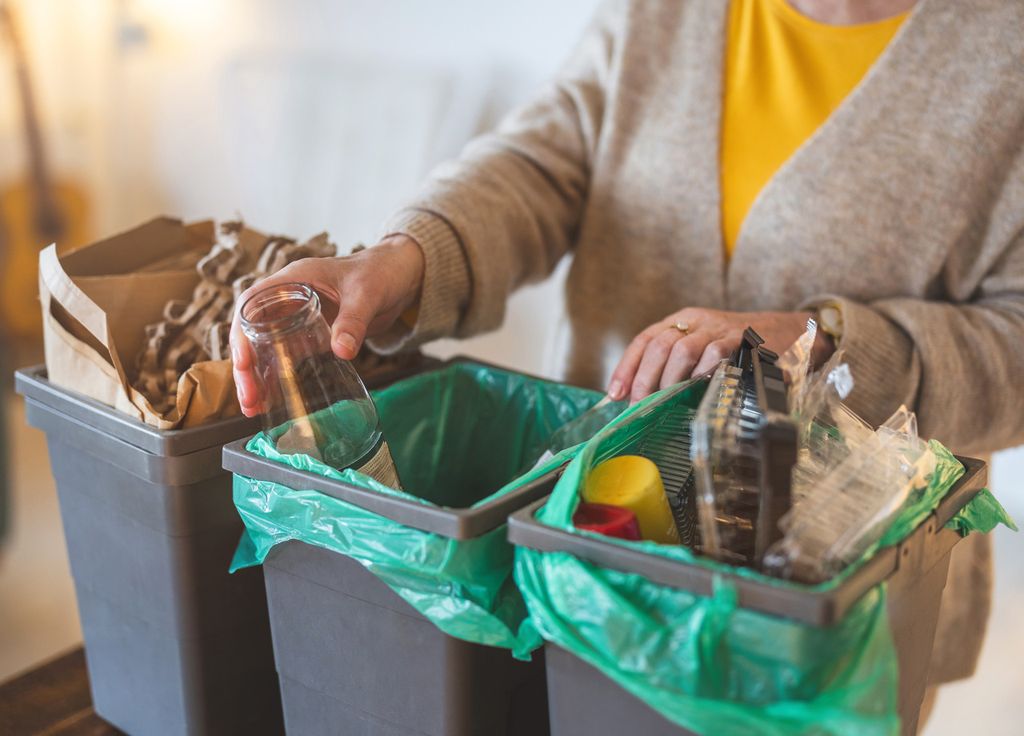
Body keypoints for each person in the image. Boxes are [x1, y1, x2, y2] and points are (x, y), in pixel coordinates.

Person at [231, 0, 1024, 721]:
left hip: (831, 609)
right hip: (589, 555)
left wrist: (823, 345)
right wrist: (404, 258)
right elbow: (543, 163)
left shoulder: (1003, 51)